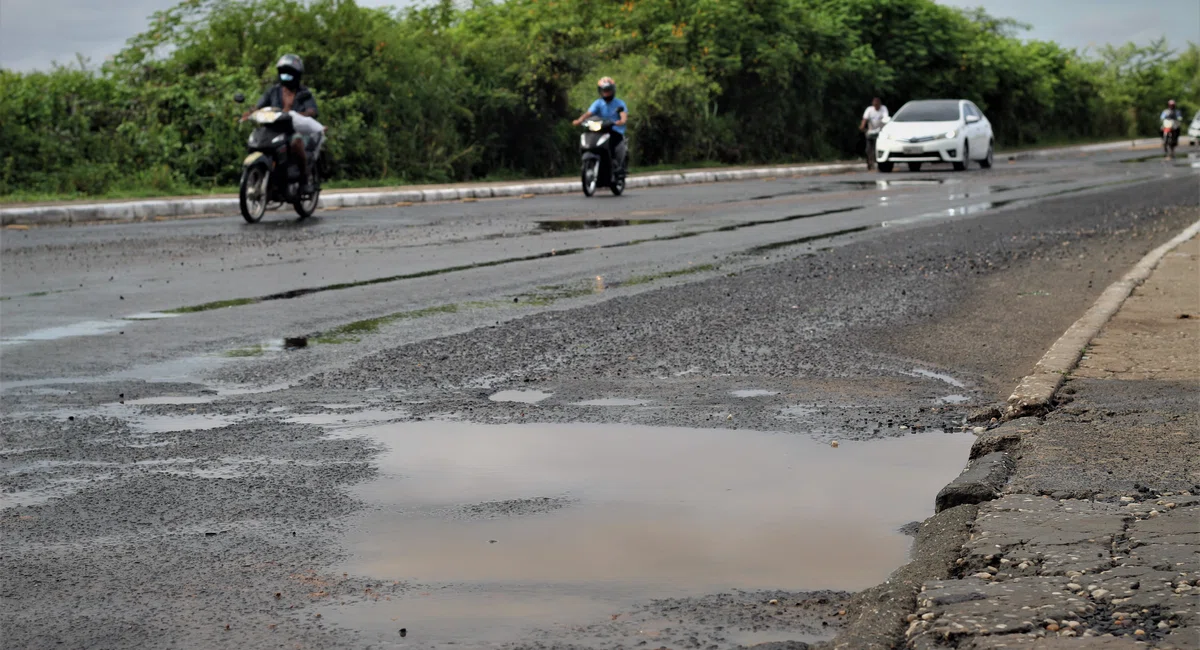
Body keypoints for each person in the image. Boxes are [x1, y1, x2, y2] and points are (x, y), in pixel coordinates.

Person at [243, 54, 320, 193]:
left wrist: (298, 113)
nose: (286, 77)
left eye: (289, 74)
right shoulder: (273, 91)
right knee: (256, 141)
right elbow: (259, 106)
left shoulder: (304, 93)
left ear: (296, 75)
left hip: (293, 130)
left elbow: (312, 110)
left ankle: (303, 179)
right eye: (283, 73)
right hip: (273, 130)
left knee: (296, 142)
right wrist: (251, 112)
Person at [573, 77, 629, 173]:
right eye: (604, 90)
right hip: (601, 129)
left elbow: (623, 115)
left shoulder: (619, 103)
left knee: (614, 142)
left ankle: (616, 164)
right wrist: (579, 120)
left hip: (614, 130)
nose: (606, 92)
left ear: (612, 90)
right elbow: (588, 114)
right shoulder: (598, 103)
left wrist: (621, 121)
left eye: (608, 90)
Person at [860, 97, 889, 171]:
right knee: (868, 149)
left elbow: (886, 119)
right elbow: (865, 119)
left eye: (877, 105)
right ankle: (869, 164)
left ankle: (878, 163)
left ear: (880, 104)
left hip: (879, 132)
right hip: (871, 132)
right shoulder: (869, 109)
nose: (876, 107)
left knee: (877, 148)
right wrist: (863, 126)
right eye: (874, 105)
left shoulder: (883, 109)